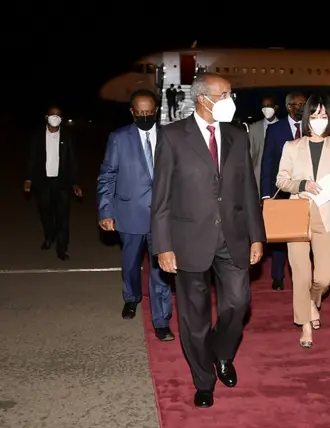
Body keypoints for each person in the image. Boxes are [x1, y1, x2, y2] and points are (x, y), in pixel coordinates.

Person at [151, 73, 265, 408]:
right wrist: (163, 246)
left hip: (232, 237)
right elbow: (161, 197)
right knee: (194, 316)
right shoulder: (172, 136)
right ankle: (204, 379)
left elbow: (249, 189)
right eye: (226, 94)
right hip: (189, 239)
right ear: (203, 99)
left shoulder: (237, 134)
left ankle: (222, 353)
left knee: (238, 302)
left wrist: (257, 236)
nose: (231, 99)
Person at [97, 89, 173, 340]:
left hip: (162, 216)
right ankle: (131, 296)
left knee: (160, 269)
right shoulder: (119, 138)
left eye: (149, 112)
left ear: (156, 111)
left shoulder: (169, 137)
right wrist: (105, 211)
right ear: (132, 112)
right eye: (139, 113)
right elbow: (107, 176)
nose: (144, 116)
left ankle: (161, 321)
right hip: (129, 213)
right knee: (130, 264)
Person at [276, 94, 330, 348]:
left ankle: (312, 302)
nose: (319, 121)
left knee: (325, 277)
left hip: (326, 216)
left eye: (324, 116)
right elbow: (281, 180)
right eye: (314, 116)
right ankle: (305, 324)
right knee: (301, 274)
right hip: (297, 214)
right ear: (307, 118)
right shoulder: (291, 147)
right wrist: (302, 184)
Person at [260, 91, 307, 291]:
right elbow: (267, 162)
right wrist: (265, 194)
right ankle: (278, 276)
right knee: (281, 237)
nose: (303, 108)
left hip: (306, 190)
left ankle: (302, 276)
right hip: (279, 190)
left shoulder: (312, 127)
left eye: (305, 104)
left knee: (304, 235)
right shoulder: (275, 130)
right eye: (299, 104)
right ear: (289, 107)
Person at [24, 105, 82, 260]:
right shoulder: (37, 136)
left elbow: (72, 161)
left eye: (58, 115)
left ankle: (62, 247)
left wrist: (75, 183)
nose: (55, 117)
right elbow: (32, 159)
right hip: (42, 182)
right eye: (52, 114)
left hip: (61, 182)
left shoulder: (68, 137)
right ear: (46, 117)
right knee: (46, 213)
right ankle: (49, 237)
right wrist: (28, 179)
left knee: (62, 216)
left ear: (61, 119)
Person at [249, 96, 279, 191]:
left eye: (269, 105)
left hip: (278, 172)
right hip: (258, 173)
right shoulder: (254, 128)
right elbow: (250, 152)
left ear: (275, 107)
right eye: (264, 106)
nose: (266, 108)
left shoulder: (283, 127)